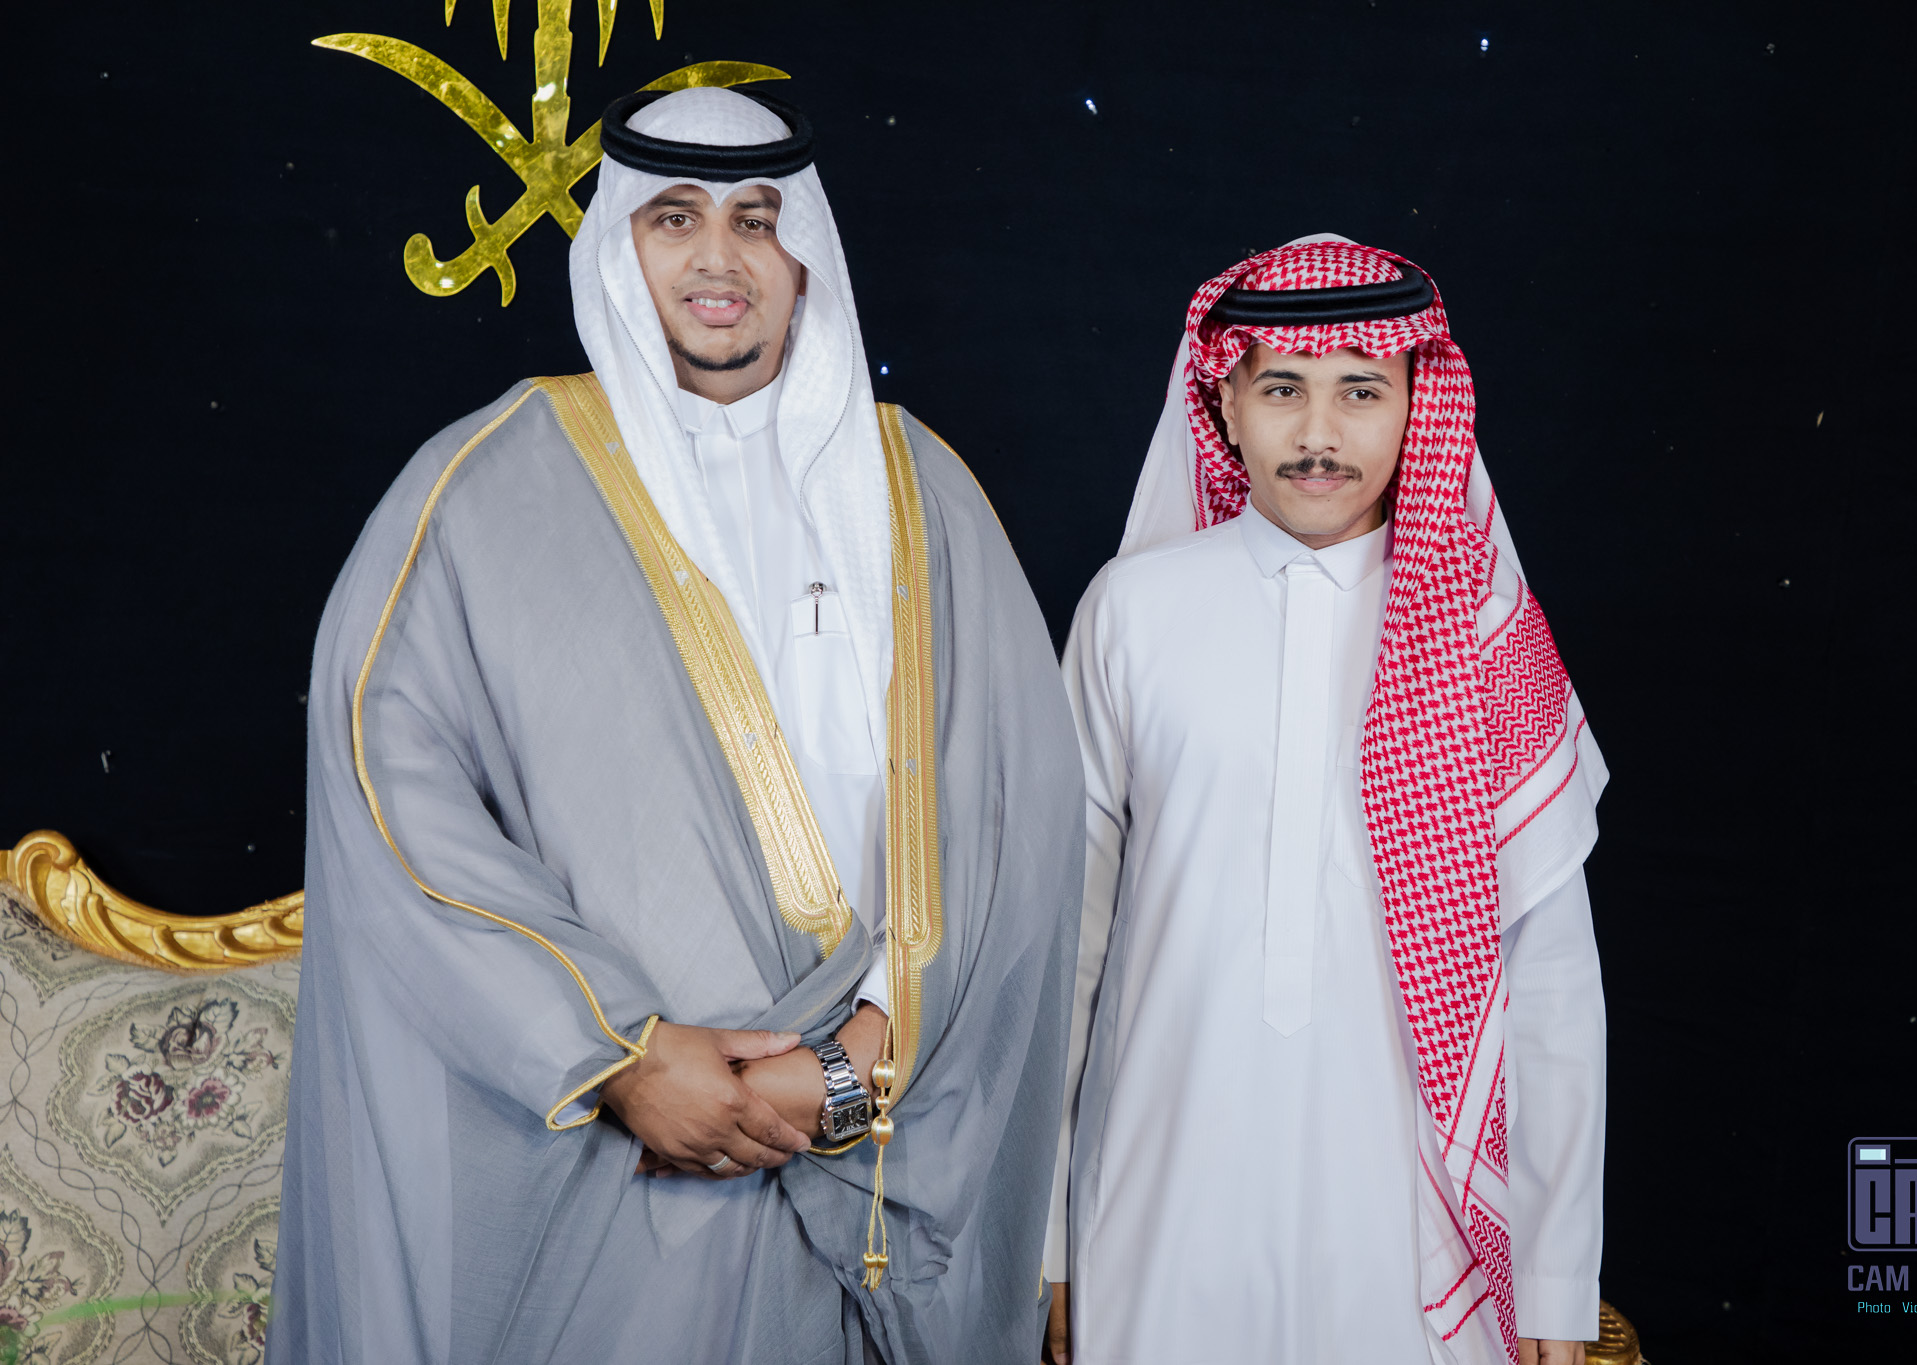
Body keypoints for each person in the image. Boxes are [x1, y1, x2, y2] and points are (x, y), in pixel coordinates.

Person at [273, 85, 1082, 1365]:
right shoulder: (482, 489)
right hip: (624, 1165)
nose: (718, 258)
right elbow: (393, 799)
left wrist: (861, 1057)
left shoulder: (919, 490)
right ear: (619, 246)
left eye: (755, 220)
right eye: (674, 219)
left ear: (802, 253)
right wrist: (623, 1057)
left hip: (876, 1126)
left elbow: (1017, 811)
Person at [1044, 238, 1607, 1365]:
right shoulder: (1131, 611)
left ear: (1415, 404)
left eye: (1360, 391)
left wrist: (1553, 1277)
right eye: (1282, 390)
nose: (1317, 433)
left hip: (1407, 1231)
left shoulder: (1485, 637)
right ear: (1225, 406)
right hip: (1157, 1200)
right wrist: (1042, 1237)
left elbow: (1548, 981)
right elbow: (1062, 950)